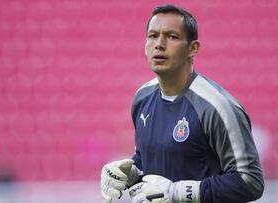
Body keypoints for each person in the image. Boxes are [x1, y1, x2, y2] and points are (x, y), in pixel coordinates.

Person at [100, 4, 264, 203]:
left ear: (192, 48)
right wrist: (130, 172)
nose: (159, 44)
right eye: (152, 36)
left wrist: (178, 192)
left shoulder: (217, 107)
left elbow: (250, 181)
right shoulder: (142, 98)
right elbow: (153, 160)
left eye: (171, 36)